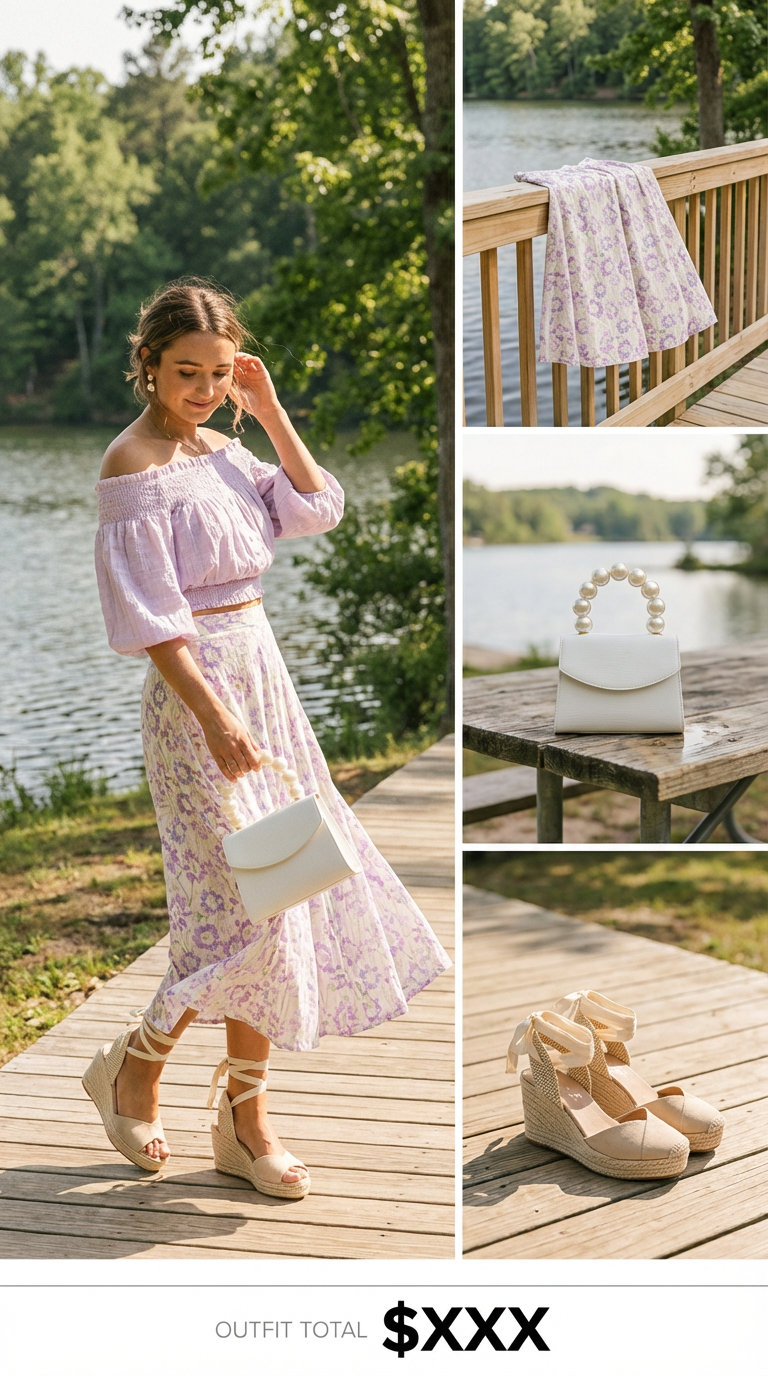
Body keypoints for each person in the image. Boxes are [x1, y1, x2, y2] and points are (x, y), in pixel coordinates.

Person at [83, 278, 450, 1200]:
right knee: (246, 904)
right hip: (199, 697)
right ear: (148, 366)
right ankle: (137, 1062)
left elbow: (317, 507)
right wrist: (214, 716)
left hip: (265, 679)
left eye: (216, 374)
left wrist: (270, 408)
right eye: (185, 373)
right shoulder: (131, 465)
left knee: (290, 885)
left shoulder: (223, 450)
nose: (202, 390)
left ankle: (245, 1123)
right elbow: (153, 619)